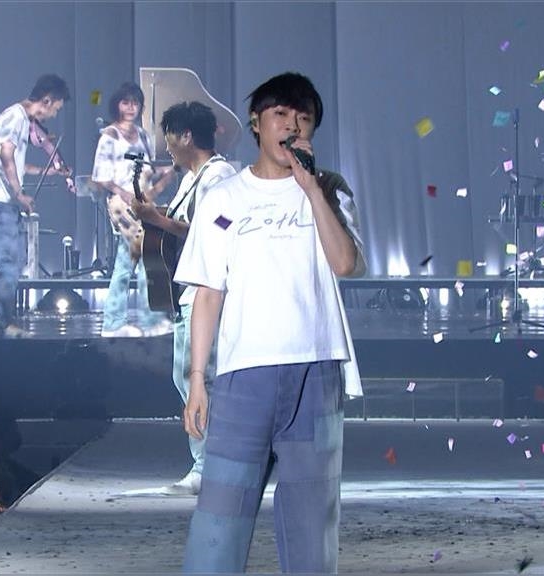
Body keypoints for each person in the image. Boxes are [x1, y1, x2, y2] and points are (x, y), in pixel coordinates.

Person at [175, 72, 365, 573]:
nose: (292, 126)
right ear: (257, 123)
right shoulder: (224, 200)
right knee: (220, 516)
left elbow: (345, 263)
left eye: (304, 118)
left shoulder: (330, 190)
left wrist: (311, 189)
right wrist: (198, 379)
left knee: (312, 524)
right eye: (280, 114)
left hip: (316, 371)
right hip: (244, 376)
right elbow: (208, 293)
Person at [131, 102, 237, 495]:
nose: (167, 147)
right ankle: (209, 462)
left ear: (187, 136)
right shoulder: (192, 178)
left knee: (200, 377)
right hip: (187, 288)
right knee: (186, 375)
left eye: (170, 137)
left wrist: (156, 220)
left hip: (208, 288)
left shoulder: (219, 175)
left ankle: (210, 466)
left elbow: (213, 230)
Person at [0, 74, 70, 339]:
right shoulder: (15, 117)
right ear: (46, 100)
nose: (53, 115)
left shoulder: (20, 119)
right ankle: (2, 323)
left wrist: (47, 171)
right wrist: (19, 194)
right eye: (55, 108)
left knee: (11, 264)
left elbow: (16, 163)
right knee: (8, 263)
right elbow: (5, 155)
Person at [92, 82, 176, 338]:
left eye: (135, 103)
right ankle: (149, 320)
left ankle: (113, 322)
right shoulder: (109, 136)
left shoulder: (143, 135)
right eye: (125, 102)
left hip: (143, 202)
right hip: (122, 204)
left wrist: (167, 171)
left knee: (126, 262)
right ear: (117, 105)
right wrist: (124, 193)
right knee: (144, 256)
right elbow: (101, 177)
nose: (130, 107)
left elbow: (149, 167)